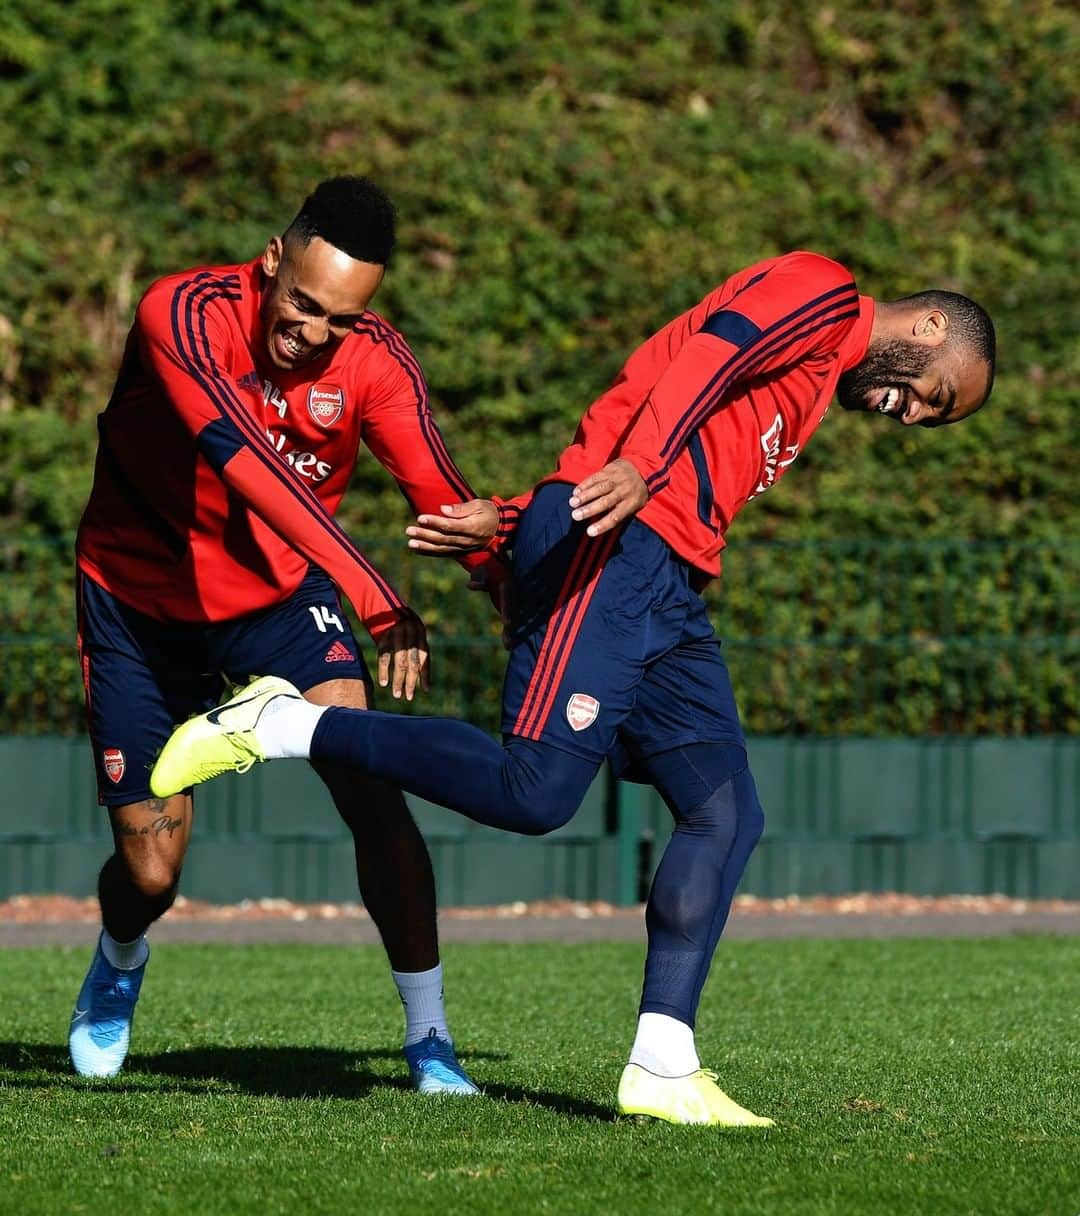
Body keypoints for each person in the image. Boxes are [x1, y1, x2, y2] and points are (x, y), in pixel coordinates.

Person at [149, 250, 996, 1124]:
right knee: (534, 791)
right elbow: (706, 355)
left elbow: (652, 415)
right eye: (934, 393)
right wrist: (639, 470)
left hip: (664, 578)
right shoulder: (822, 292)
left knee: (727, 812)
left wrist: (518, 518)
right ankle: (282, 723)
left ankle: (663, 1063)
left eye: (929, 418)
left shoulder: (821, 379)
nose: (910, 413)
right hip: (623, 551)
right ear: (931, 328)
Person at [70, 176, 499, 1094]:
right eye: (303, 303)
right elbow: (244, 460)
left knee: (369, 777)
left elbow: (443, 497)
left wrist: (515, 582)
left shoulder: (375, 362)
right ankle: (118, 957)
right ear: (272, 261)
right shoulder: (180, 313)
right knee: (150, 872)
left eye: (341, 320)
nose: (313, 332)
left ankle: (429, 1038)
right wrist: (379, 597)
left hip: (280, 596)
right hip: (139, 604)